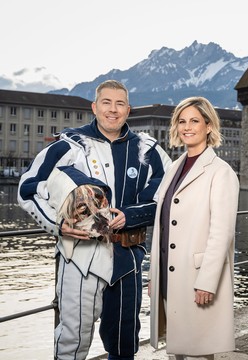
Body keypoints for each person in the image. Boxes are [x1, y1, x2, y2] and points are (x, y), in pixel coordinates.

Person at [17, 80, 172, 360]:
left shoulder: (148, 151)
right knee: (73, 340)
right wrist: (56, 224)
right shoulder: (70, 145)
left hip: (128, 256)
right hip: (80, 258)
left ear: (128, 110)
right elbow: (27, 188)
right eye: (106, 102)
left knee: (125, 342)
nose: (113, 110)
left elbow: (170, 198)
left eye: (119, 103)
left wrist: (131, 215)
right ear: (95, 107)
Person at [149, 97, 240, 360]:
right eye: (182, 121)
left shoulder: (221, 172)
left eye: (194, 121)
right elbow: (163, 224)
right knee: (177, 346)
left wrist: (208, 282)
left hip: (197, 276)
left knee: (201, 350)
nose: (187, 127)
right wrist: (154, 274)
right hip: (170, 274)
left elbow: (222, 232)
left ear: (209, 126)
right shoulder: (174, 168)